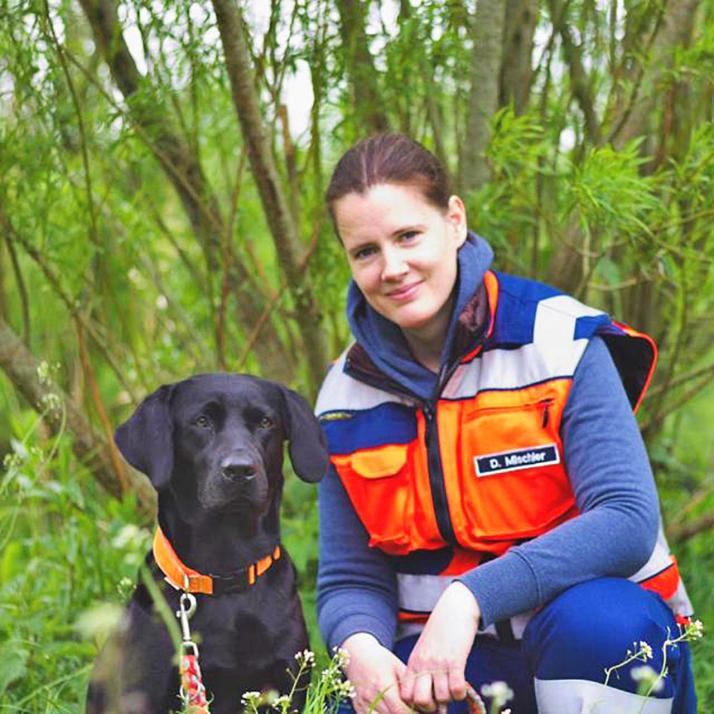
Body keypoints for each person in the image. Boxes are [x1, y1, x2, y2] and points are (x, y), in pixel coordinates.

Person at [314, 134, 696, 714]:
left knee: (600, 628)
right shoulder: (343, 396)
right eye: (365, 251)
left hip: (594, 640)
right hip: (449, 669)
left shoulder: (559, 341)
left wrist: (470, 597)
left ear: (455, 221)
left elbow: (626, 519)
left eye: (408, 236)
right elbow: (348, 576)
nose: (392, 268)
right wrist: (358, 646)